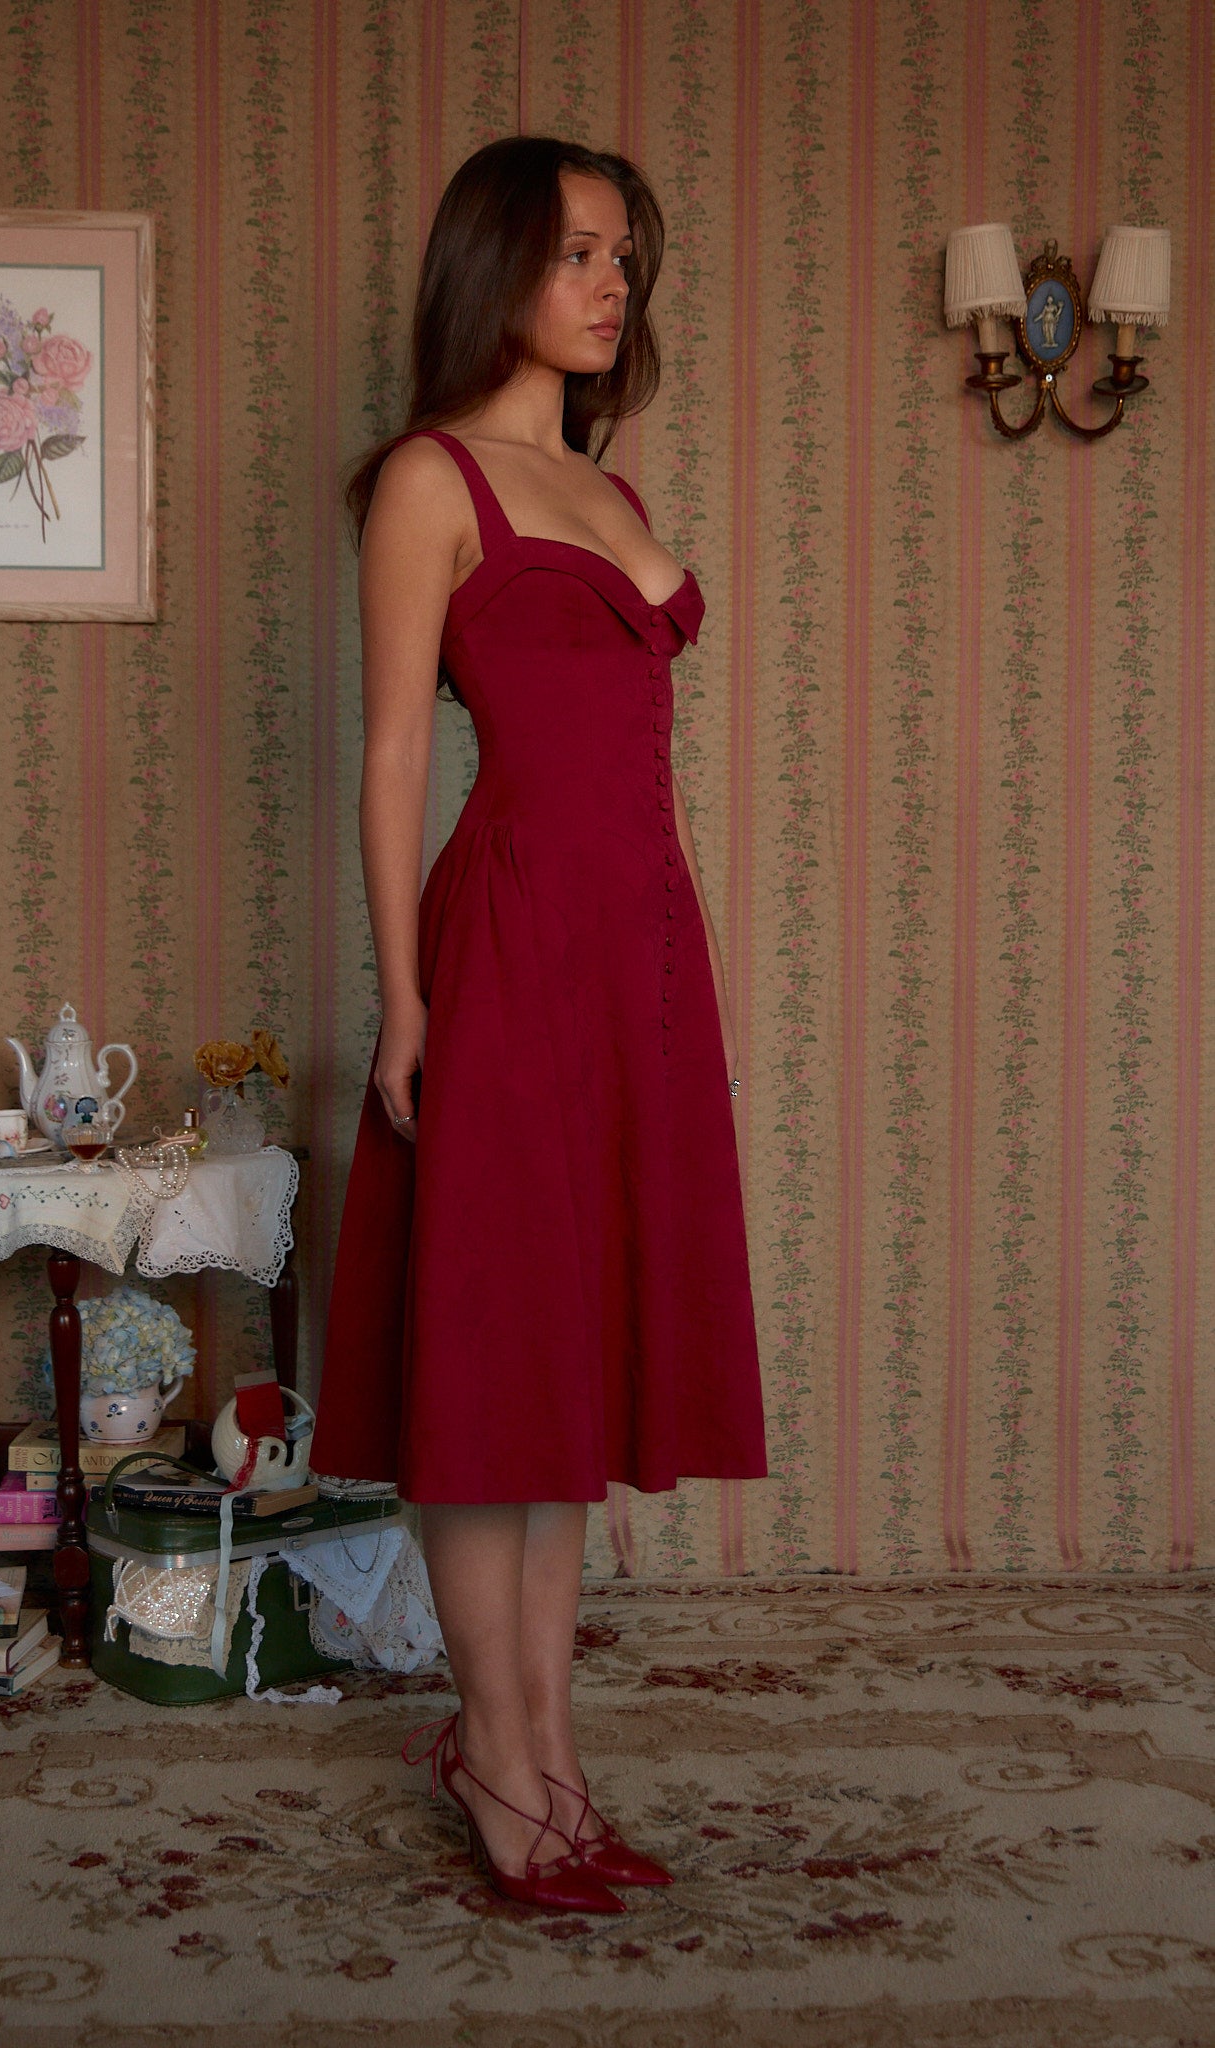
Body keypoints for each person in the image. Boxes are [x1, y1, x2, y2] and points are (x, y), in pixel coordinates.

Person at [309, 134, 768, 1914]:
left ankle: (554, 1756)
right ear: (491, 264)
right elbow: (393, 757)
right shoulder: (427, 480)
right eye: (577, 251)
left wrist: (660, 968)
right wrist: (403, 1003)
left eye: (625, 257)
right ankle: (494, 1757)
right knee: (494, 1347)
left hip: (641, 944)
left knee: (571, 1358)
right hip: (503, 941)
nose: (609, 285)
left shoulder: (609, 487)